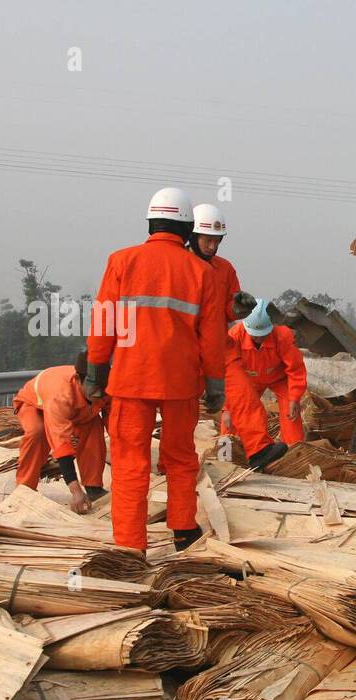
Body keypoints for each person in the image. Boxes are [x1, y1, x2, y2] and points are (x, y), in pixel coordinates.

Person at [86, 187, 227, 552]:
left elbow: (103, 324)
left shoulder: (121, 261)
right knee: (180, 457)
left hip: (131, 381)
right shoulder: (201, 272)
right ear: (187, 229)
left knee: (131, 462)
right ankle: (183, 529)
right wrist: (215, 386)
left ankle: (132, 545)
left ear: (151, 223)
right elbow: (212, 338)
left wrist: (94, 375)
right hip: (181, 383)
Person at [12, 351, 107, 513]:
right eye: (93, 388)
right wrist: (75, 490)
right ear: (78, 380)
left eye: (102, 388)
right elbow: (61, 443)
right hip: (35, 405)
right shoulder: (60, 395)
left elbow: (116, 423)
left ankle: (93, 486)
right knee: (37, 432)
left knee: (94, 425)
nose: (99, 394)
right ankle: (24, 489)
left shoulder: (107, 389)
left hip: (78, 411)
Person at [223, 299, 307, 471]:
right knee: (231, 419)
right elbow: (228, 374)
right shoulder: (234, 336)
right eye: (255, 335)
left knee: (292, 415)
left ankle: (294, 457)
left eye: (263, 335)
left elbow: (296, 369)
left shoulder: (283, 336)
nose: (259, 339)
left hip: (279, 378)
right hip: (247, 380)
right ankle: (224, 456)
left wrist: (294, 398)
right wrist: (226, 408)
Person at [190, 204, 243, 322]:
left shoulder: (225, 269)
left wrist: (239, 308)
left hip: (215, 339)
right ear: (193, 236)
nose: (212, 246)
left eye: (217, 241)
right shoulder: (177, 265)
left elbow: (228, 314)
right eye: (208, 240)